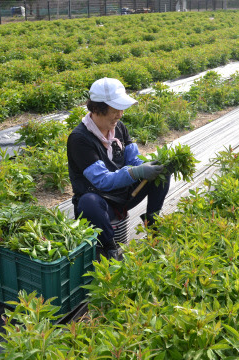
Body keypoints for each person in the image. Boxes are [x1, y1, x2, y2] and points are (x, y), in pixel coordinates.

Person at [67, 77, 171, 260]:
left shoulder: (119, 127)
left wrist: (144, 166)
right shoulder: (79, 139)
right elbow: (102, 181)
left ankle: (152, 222)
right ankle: (110, 246)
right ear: (98, 108)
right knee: (88, 203)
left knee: (161, 172)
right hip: (102, 202)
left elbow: (134, 158)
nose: (120, 114)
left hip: (125, 194)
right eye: (116, 109)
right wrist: (136, 172)